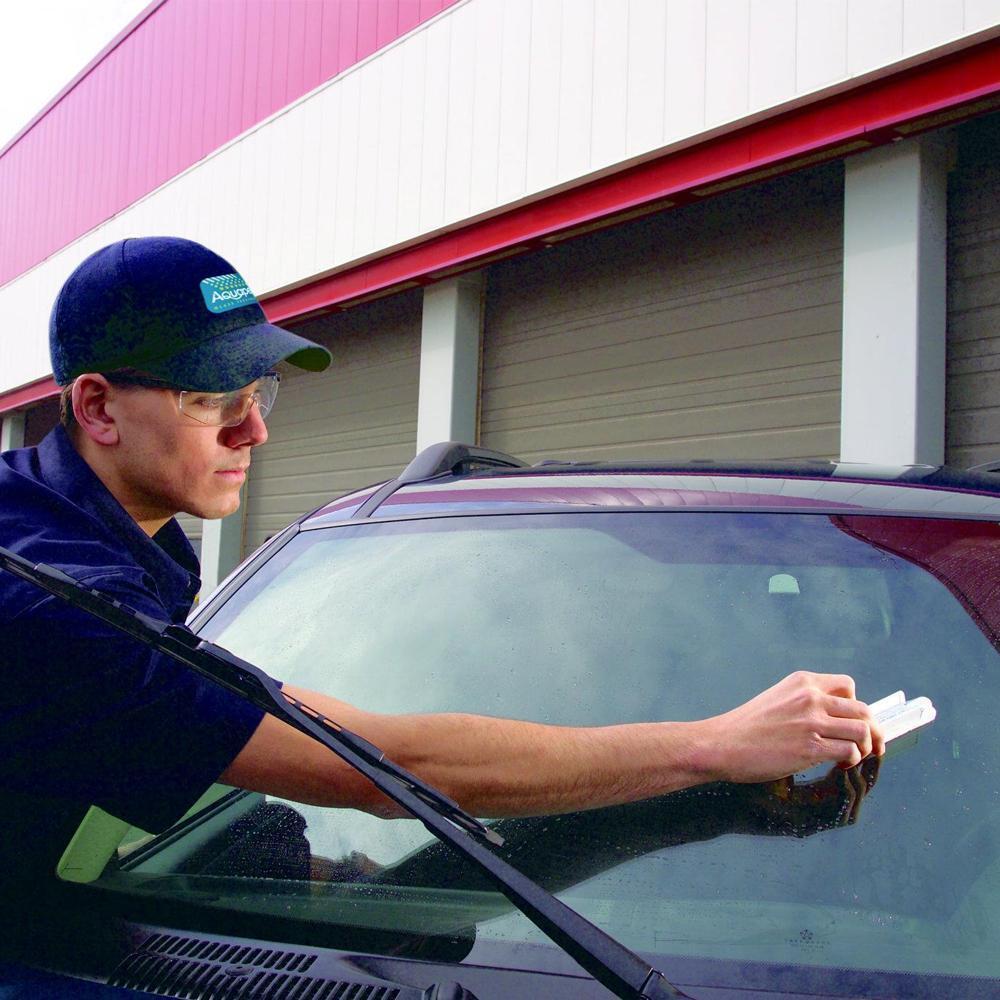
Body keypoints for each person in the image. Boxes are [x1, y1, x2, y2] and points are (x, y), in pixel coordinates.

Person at [0, 236, 884, 895]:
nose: (255, 430)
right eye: (211, 398)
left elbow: (130, 744)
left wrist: (289, 868)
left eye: (259, 392)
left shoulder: (87, 528)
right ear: (97, 408)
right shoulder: (63, 601)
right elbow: (383, 766)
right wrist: (713, 745)